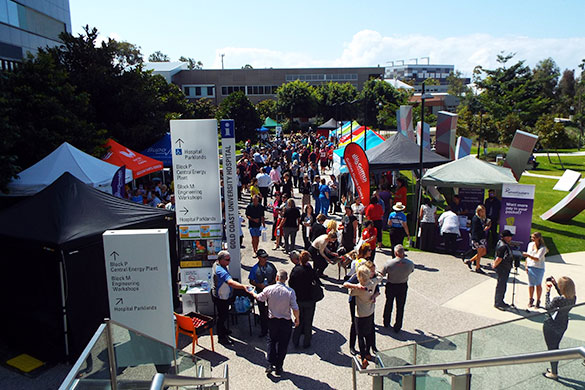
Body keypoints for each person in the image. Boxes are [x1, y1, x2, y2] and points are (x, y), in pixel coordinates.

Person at [248, 270, 300, 376]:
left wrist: (252, 292)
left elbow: (259, 298)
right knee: (283, 344)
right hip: (285, 321)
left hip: (273, 320)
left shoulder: (269, 289)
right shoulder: (290, 292)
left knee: (271, 341)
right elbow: (295, 308)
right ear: (286, 279)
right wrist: (297, 318)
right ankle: (279, 366)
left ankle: (270, 364)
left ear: (276, 278)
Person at [211, 251, 251, 345]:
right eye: (227, 260)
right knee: (222, 317)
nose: (229, 261)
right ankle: (222, 338)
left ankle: (223, 330)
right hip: (221, 298)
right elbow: (230, 282)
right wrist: (243, 287)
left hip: (221, 295)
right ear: (221, 260)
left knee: (223, 316)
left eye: (230, 259)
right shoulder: (220, 270)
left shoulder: (217, 264)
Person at [542, 276, 577, 380]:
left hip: (551, 324)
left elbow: (548, 307)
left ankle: (554, 373)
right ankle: (553, 369)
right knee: (555, 346)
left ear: (562, 288)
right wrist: (556, 285)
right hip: (563, 324)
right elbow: (563, 295)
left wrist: (547, 292)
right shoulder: (573, 298)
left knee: (552, 349)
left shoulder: (558, 299)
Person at [349, 264, 381, 369]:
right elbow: (380, 277)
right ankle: (368, 352)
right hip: (370, 313)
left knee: (360, 336)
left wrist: (355, 286)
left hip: (360, 315)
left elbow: (349, 290)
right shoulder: (373, 282)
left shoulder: (359, 289)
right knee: (368, 334)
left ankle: (363, 358)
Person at [381, 244, 414, 333]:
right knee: (400, 306)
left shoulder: (389, 263)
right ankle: (398, 326)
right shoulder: (410, 263)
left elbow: (382, 274)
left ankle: (386, 322)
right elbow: (411, 271)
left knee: (388, 303)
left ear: (395, 253)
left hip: (391, 284)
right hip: (402, 285)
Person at [289, 250, 317, 348]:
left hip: (299, 299)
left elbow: (290, 284)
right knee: (308, 322)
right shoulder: (311, 270)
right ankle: (307, 342)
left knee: (298, 320)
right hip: (310, 299)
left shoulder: (296, 271)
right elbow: (317, 282)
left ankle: (295, 341)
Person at [248, 249, 277, 338]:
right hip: (260, 291)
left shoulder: (271, 266)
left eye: (266, 257)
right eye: (263, 257)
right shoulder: (254, 269)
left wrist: (271, 284)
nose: (265, 259)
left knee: (272, 310)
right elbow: (251, 281)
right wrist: (259, 285)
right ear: (259, 258)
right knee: (262, 310)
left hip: (271, 291)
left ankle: (273, 329)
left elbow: (276, 277)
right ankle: (264, 329)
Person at [522, 232, 548, 308]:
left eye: (534, 237)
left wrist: (528, 255)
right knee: (531, 284)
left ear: (538, 238)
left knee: (538, 284)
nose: (532, 239)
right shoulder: (530, 244)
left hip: (538, 268)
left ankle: (538, 300)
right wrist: (526, 266)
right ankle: (531, 299)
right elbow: (527, 257)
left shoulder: (543, 248)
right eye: (532, 237)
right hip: (530, 266)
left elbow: (537, 259)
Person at [465, 205, 491, 274]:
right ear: (478, 211)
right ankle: (477, 267)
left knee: (484, 252)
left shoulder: (481, 219)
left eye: (484, 211)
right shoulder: (475, 219)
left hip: (482, 237)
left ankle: (470, 261)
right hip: (478, 238)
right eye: (481, 211)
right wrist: (485, 229)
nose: (483, 213)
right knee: (479, 253)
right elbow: (476, 230)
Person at [493, 230, 515, 310]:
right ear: (505, 237)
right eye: (509, 236)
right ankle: (498, 303)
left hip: (504, 268)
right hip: (502, 268)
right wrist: (494, 265)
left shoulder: (502, 243)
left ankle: (501, 301)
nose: (510, 238)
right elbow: (499, 258)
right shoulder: (503, 246)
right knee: (501, 286)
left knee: (502, 285)